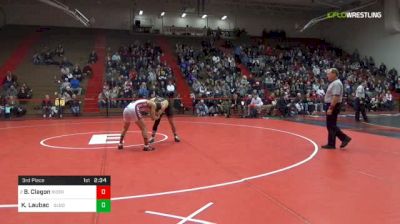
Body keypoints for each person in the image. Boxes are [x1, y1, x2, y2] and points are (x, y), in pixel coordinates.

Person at [322, 68, 351, 149]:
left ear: (334, 74)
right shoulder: (334, 83)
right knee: (331, 125)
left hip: (333, 105)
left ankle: (344, 138)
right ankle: (331, 143)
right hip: (332, 104)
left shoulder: (336, 83)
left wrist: (331, 108)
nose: (327, 75)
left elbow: (336, 96)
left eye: (328, 74)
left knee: (331, 125)